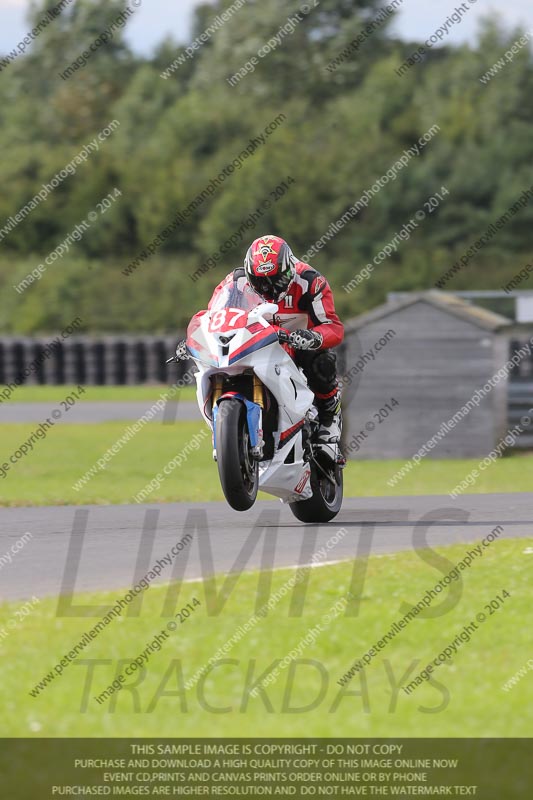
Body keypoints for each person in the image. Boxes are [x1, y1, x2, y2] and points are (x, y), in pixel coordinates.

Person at [176, 235, 344, 445]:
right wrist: (195, 340)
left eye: (276, 280)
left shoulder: (310, 281)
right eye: (260, 281)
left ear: (290, 268)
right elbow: (215, 318)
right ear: (249, 273)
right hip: (255, 345)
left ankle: (330, 416)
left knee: (321, 361)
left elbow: (333, 327)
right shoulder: (234, 283)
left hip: (295, 345)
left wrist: (314, 337)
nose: (268, 288)